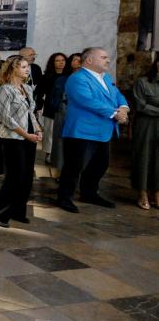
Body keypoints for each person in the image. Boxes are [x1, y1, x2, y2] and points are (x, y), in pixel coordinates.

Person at [56, 47, 129, 213]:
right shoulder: (77, 78)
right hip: (82, 130)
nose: (108, 60)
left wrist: (124, 108)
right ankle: (64, 197)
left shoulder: (106, 77)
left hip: (103, 130)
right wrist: (115, 114)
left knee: (100, 164)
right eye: (103, 57)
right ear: (89, 60)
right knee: (74, 166)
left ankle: (89, 193)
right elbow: (87, 101)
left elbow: (118, 95)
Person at [0, 56, 42, 227]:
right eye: (23, 67)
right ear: (13, 69)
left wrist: (38, 130)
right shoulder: (5, 89)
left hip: (29, 136)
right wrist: (26, 134)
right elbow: (6, 118)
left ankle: (17, 211)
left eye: (27, 67)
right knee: (14, 177)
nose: (27, 70)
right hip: (13, 138)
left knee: (27, 177)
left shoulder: (27, 88)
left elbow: (31, 113)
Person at [131, 57, 159, 210]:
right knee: (144, 156)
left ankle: (157, 193)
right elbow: (140, 105)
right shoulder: (142, 82)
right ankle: (142, 193)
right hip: (146, 124)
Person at [50, 53, 83, 171]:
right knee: (61, 141)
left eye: (80, 60)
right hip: (63, 111)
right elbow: (54, 97)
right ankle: (61, 169)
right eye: (75, 59)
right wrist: (59, 106)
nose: (78, 62)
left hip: (81, 114)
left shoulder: (88, 79)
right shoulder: (62, 79)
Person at [36, 53, 67, 163]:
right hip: (50, 107)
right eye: (57, 60)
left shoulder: (69, 76)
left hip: (66, 107)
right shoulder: (46, 77)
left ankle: (62, 154)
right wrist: (38, 107)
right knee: (50, 132)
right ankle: (49, 154)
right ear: (52, 63)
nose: (61, 63)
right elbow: (39, 92)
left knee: (63, 132)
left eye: (63, 60)